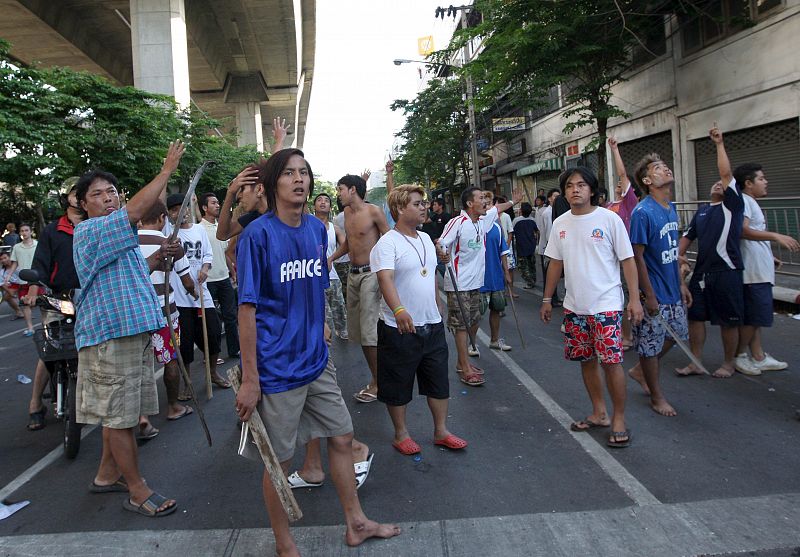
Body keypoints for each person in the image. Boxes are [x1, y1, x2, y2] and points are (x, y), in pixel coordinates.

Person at [234, 148, 400, 553]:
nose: (299, 179)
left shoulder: (314, 230)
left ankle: (356, 523)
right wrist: (251, 379)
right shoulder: (258, 235)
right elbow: (247, 309)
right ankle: (284, 543)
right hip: (276, 370)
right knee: (281, 462)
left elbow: (313, 284)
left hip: (316, 361)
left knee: (342, 439)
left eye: (304, 172)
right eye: (289, 173)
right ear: (273, 183)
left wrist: (320, 321)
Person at [73, 141, 185, 517]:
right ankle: (137, 490)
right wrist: (166, 170)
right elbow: (136, 210)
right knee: (121, 418)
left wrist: (161, 257)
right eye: (96, 194)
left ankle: (107, 475)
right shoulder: (90, 232)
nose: (106, 198)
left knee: (119, 412)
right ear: (82, 205)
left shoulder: (118, 237)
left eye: (110, 192)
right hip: (110, 337)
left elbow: (134, 273)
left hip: (133, 332)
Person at [541, 167, 643, 447]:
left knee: (612, 363)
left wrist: (634, 299)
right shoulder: (560, 223)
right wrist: (548, 299)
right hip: (575, 307)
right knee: (586, 362)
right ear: (564, 192)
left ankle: (619, 418)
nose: (576, 189)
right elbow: (555, 264)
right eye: (570, 185)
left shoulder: (609, 219)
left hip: (607, 305)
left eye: (582, 185)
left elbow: (628, 260)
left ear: (592, 190)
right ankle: (599, 412)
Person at [371, 184, 467, 455]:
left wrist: (437, 307)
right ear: (400, 209)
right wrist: (399, 310)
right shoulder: (387, 243)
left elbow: (430, 275)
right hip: (398, 327)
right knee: (397, 382)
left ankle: (441, 431)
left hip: (431, 324)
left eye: (423, 203)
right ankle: (401, 434)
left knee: (438, 380)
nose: (424, 207)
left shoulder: (425, 238)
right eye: (417, 203)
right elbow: (385, 278)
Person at [627, 152, 692, 417]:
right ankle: (656, 396)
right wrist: (648, 296)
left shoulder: (671, 207)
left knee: (677, 336)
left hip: (673, 289)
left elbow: (673, 250)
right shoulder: (643, 212)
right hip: (653, 293)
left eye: (664, 166)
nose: (665, 169)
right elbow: (637, 257)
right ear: (646, 180)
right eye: (657, 168)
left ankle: (640, 369)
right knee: (650, 346)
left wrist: (681, 283)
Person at [436, 187, 522, 386]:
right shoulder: (457, 222)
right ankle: (465, 368)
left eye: (486, 197)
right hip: (459, 284)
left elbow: (497, 209)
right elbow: (441, 242)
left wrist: (513, 202)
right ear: (469, 204)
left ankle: (461, 362)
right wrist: (442, 253)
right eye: (481, 198)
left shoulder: (482, 221)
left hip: (477, 283)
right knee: (462, 325)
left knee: (473, 321)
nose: (486, 201)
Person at [676, 127, 742, 378]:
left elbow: (725, 172)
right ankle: (695, 361)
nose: (718, 182)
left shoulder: (732, 206)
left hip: (727, 271)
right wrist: (678, 256)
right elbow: (687, 237)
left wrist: (718, 144)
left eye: (723, 182)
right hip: (702, 273)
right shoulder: (703, 211)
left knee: (728, 320)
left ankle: (728, 363)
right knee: (695, 317)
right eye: (715, 182)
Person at [22, 187, 84, 431]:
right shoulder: (52, 231)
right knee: (50, 350)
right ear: (66, 199)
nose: (79, 197)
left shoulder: (96, 226)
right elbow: (39, 267)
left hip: (92, 299)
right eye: (75, 193)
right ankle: (35, 403)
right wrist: (32, 293)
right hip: (59, 300)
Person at [734, 162, 800, 375]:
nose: (766, 182)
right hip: (752, 273)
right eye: (761, 179)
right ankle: (739, 355)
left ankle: (758, 355)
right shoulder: (745, 201)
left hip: (759, 269)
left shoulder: (750, 201)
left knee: (755, 318)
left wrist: (768, 254)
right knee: (756, 316)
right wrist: (775, 236)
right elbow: (743, 231)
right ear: (748, 183)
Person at [328, 174, 390, 403]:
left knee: (368, 331)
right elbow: (349, 242)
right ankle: (378, 378)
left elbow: (389, 239)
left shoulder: (373, 211)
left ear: (352, 190)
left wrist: (389, 275)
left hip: (371, 275)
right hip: (353, 276)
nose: (338, 193)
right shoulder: (345, 214)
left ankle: (379, 383)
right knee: (358, 332)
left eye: (340, 189)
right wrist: (332, 257)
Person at [165, 194, 231, 395]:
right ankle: (187, 383)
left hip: (201, 293)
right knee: (184, 342)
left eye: (182, 208)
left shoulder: (199, 230)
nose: (179, 212)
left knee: (212, 332)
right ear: (168, 213)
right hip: (180, 298)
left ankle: (212, 373)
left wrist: (204, 268)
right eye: (174, 209)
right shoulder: (169, 232)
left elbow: (208, 254)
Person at [137, 200, 197, 421]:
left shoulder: (128, 244)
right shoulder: (171, 244)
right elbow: (187, 282)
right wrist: (195, 294)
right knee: (170, 360)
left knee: (139, 365)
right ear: (162, 219)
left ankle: (142, 416)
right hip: (165, 314)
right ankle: (173, 406)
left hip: (135, 315)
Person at [605, 137, 640, 349]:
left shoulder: (630, 203)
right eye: (618, 185)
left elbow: (622, 174)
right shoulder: (608, 206)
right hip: (610, 259)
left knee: (630, 296)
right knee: (619, 297)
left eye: (624, 185)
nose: (620, 185)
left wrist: (615, 149)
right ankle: (626, 335)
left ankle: (631, 336)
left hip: (626, 257)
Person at [199, 192, 239, 359]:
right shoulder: (198, 229)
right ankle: (212, 356)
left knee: (231, 316)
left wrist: (233, 271)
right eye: (213, 203)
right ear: (204, 207)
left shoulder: (221, 228)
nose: (217, 206)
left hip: (224, 279)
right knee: (211, 322)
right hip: (208, 281)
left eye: (217, 203)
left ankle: (234, 349)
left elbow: (226, 252)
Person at [313, 193, 348, 340]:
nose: (323, 202)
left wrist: (332, 258)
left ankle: (343, 334)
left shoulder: (335, 229)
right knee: (323, 316)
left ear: (330, 206)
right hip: (314, 278)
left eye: (326, 200)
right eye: (319, 200)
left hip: (332, 277)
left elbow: (348, 245)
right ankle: (325, 346)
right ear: (314, 205)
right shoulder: (307, 225)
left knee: (340, 310)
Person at [481, 194, 513, 352]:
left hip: (496, 277)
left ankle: (494, 340)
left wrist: (506, 272)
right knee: (476, 314)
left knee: (496, 309)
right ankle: (471, 344)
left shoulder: (497, 228)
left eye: (488, 204)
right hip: (478, 279)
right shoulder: (474, 225)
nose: (485, 207)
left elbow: (503, 252)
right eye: (483, 203)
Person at [7, 223, 38, 336]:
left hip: (37, 281)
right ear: (20, 233)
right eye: (22, 231)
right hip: (23, 280)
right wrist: (9, 275)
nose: (24, 233)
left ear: (30, 231)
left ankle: (46, 327)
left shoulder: (38, 245)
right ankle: (30, 328)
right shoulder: (16, 247)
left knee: (44, 305)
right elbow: (14, 262)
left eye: (26, 230)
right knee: (25, 305)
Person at [537, 189, 561, 306]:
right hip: (548, 247)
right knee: (550, 273)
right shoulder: (548, 213)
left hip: (551, 247)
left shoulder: (554, 211)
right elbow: (548, 233)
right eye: (555, 196)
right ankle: (551, 299)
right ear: (550, 198)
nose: (557, 199)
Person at [512, 202, 539, 289]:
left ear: (520, 211)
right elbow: (537, 231)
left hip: (521, 245)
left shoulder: (516, 221)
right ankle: (533, 279)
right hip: (531, 244)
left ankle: (529, 281)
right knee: (531, 264)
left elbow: (511, 232)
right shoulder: (533, 220)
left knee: (523, 266)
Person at [0, 252, 24, 319]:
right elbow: (2, 284)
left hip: (24, 283)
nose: (3, 260)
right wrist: (9, 291)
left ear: (10, 257)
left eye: (5, 258)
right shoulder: (2, 271)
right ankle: (19, 311)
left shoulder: (19, 265)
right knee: (6, 296)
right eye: (1, 259)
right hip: (14, 285)